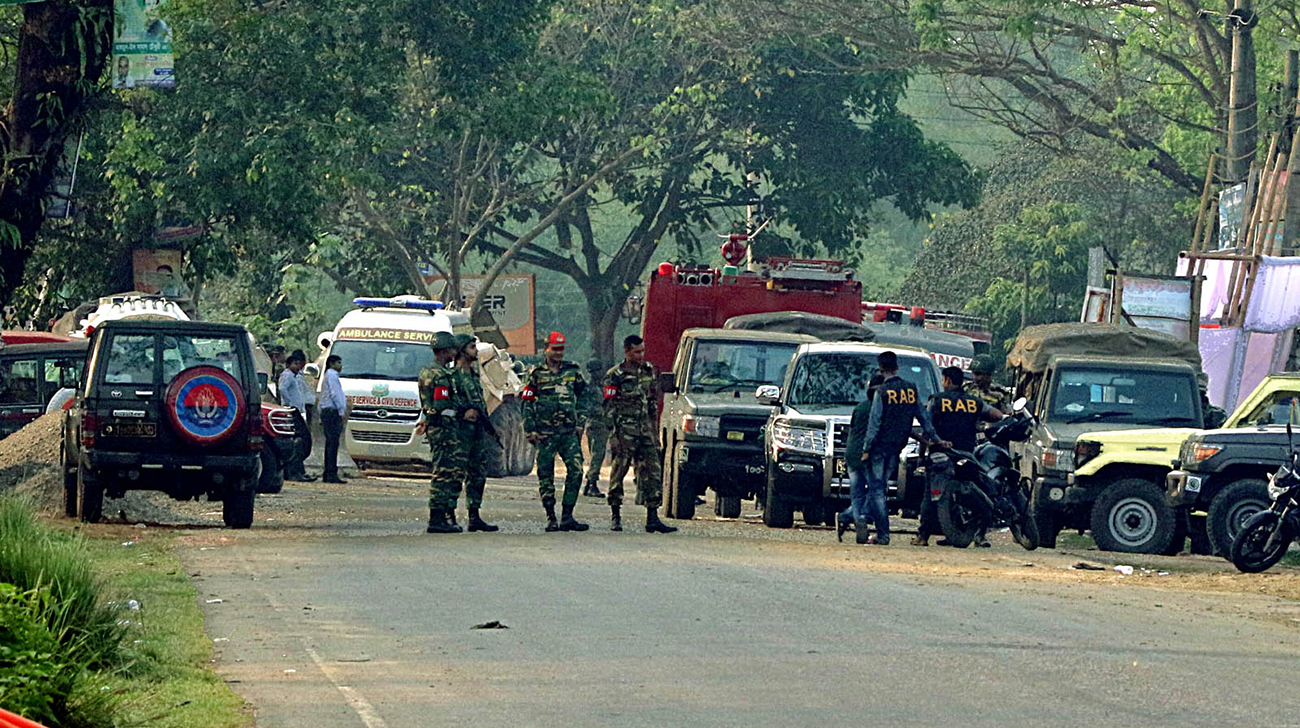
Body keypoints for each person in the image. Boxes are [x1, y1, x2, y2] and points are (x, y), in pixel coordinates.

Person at [837, 351, 942, 545]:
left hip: (878, 449)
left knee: (876, 491)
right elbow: (923, 417)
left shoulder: (882, 392)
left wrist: (867, 449)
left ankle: (877, 530)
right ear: (897, 367)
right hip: (896, 447)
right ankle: (855, 517)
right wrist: (935, 439)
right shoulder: (911, 389)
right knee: (880, 489)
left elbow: (875, 423)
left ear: (880, 368)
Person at [912, 367, 1003, 547]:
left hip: (941, 454)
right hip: (966, 454)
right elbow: (997, 415)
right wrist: (979, 424)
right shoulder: (974, 402)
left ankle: (923, 537)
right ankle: (980, 535)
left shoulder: (937, 400)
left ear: (946, 380)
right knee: (980, 492)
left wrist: (921, 456)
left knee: (930, 496)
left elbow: (927, 429)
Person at [604, 335, 677, 534]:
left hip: (646, 431)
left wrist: (655, 433)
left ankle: (652, 518)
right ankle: (615, 516)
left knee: (653, 473)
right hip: (625, 432)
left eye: (643, 351)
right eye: (637, 351)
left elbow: (654, 402)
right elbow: (608, 407)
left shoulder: (649, 372)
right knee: (619, 473)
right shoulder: (615, 375)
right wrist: (613, 435)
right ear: (627, 351)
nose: (641, 355)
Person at [522, 332, 589, 532]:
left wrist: (580, 423)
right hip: (545, 433)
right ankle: (550, 516)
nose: (559, 353)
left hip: (568, 432)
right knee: (545, 475)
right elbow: (527, 402)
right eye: (555, 349)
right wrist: (530, 429)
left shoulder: (572, 371)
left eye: (562, 349)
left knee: (576, 471)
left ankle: (567, 515)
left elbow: (584, 396)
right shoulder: (536, 374)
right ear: (546, 350)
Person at [416, 332, 465, 533]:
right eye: (452, 350)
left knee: (443, 470)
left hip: (435, 426)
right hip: (444, 428)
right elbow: (441, 404)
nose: (454, 353)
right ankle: (436, 518)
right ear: (445, 351)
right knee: (443, 473)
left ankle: (441, 517)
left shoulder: (425, 372)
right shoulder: (441, 376)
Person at [452, 334, 498, 532]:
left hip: (477, 431)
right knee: (455, 474)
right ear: (462, 350)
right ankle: (448, 514)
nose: (476, 351)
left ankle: (474, 515)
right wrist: (462, 413)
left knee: (478, 473)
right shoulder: (453, 377)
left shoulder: (473, 375)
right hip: (460, 433)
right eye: (472, 347)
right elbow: (448, 404)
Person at [277, 350, 316, 482]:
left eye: (299, 363)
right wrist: (289, 404)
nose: (297, 366)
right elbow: (282, 389)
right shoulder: (287, 375)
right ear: (288, 364)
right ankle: (294, 471)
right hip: (292, 411)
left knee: (301, 442)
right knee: (299, 441)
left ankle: (298, 471)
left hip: (298, 410)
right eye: (295, 363)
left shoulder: (295, 376)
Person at [319, 354, 348, 484]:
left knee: (331, 443)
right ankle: (331, 473)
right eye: (338, 363)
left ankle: (329, 472)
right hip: (332, 412)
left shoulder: (329, 375)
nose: (341, 366)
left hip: (327, 411)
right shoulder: (332, 375)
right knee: (332, 444)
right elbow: (336, 394)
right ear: (332, 364)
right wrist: (341, 410)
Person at [581, 358, 608, 498]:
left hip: (600, 424)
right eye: (595, 370)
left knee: (597, 456)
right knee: (597, 455)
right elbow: (588, 407)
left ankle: (589, 485)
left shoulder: (600, 386)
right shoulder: (590, 389)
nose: (598, 373)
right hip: (596, 424)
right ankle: (592, 485)